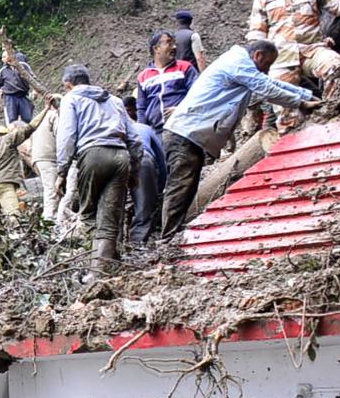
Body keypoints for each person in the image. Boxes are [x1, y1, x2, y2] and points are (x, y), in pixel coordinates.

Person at [161, 40, 320, 236]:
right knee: (180, 187)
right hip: (184, 134)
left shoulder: (240, 63)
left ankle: (173, 235)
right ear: (258, 56)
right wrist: (300, 103)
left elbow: (270, 83)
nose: (267, 70)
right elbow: (266, 88)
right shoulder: (237, 63)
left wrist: (307, 95)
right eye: (267, 64)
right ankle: (168, 238)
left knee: (186, 187)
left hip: (191, 134)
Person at [53, 65, 142, 270]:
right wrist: (134, 171)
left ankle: (91, 267)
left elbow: (67, 136)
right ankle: (101, 271)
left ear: (68, 85)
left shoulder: (71, 99)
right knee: (109, 220)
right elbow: (135, 139)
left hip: (92, 156)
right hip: (121, 157)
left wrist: (62, 170)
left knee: (89, 215)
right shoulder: (115, 100)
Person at [136, 32, 197, 131]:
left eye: (174, 43)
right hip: (155, 131)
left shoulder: (185, 68)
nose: (174, 47)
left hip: (181, 127)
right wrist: (142, 132)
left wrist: (181, 110)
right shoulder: (143, 76)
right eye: (169, 43)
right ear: (156, 49)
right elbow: (141, 108)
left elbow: (197, 94)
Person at [126, 102, 166, 246]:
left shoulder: (108, 128)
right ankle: (137, 242)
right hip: (142, 159)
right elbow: (161, 160)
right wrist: (159, 187)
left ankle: (114, 245)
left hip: (114, 158)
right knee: (144, 207)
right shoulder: (144, 128)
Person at [29, 96, 62, 221]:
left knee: (52, 188)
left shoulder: (39, 118)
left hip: (37, 158)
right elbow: (61, 136)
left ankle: (57, 216)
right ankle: (49, 219)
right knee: (52, 190)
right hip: (49, 157)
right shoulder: (54, 116)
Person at [0, 50, 34, 124]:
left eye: (4, 57)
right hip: (10, 96)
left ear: (10, 55)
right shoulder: (3, 70)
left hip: (23, 95)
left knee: (27, 118)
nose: (2, 59)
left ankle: (27, 133)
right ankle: (14, 132)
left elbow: (32, 79)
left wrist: (35, 91)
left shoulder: (23, 66)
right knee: (12, 119)